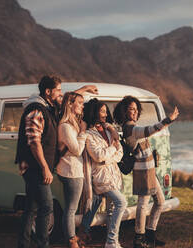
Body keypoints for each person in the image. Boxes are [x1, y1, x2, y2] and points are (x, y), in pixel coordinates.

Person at [16, 75, 98, 248]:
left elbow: (69, 100)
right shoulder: (36, 110)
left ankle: (23, 244)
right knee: (46, 207)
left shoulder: (49, 107)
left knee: (31, 209)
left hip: (39, 166)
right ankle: (42, 244)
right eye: (58, 90)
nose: (61, 94)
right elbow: (34, 142)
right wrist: (45, 168)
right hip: (34, 167)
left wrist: (84, 89)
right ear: (48, 92)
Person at [113, 96, 179, 248]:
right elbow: (151, 130)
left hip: (149, 170)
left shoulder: (133, 126)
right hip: (142, 170)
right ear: (125, 111)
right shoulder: (130, 128)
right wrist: (169, 119)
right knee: (143, 204)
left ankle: (150, 235)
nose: (135, 112)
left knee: (160, 202)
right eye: (131, 109)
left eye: (136, 109)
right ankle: (139, 238)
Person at [79, 98, 126, 248]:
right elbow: (98, 156)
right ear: (95, 113)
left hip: (114, 174)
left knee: (112, 209)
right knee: (121, 202)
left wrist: (109, 154)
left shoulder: (108, 130)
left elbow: (120, 153)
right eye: (103, 111)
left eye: (106, 111)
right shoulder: (88, 134)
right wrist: (112, 149)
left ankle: (111, 242)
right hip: (101, 178)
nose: (106, 114)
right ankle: (111, 241)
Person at [55, 92, 87, 248]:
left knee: (70, 208)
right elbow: (77, 150)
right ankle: (71, 241)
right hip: (71, 171)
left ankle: (72, 238)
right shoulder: (65, 126)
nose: (82, 105)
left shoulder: (72, 123)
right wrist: (82, 133)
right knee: (70, 209)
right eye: (79, 103)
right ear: (69, 104)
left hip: (72, 169)